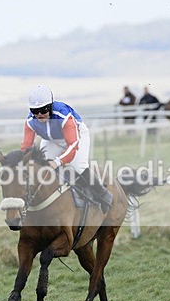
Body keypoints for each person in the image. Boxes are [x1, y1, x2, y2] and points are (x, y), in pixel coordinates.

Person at [20, 85, 113, 213]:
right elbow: (26, 148)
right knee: (43, 166)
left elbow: (73, 145)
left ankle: (103, 193)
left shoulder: (63, 115)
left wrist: (57, 162)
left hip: (76, 137)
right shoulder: (30, 121)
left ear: (51, 106)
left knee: (78, 166)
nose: (39, 114)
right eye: (35, 111)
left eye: (43, 110)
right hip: (51, 139)